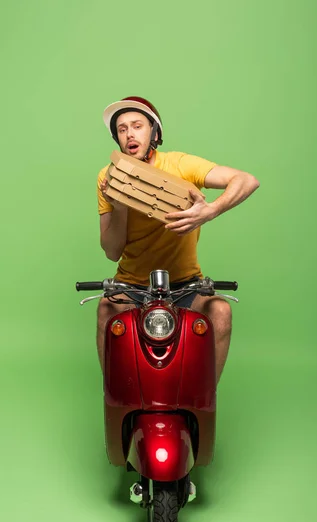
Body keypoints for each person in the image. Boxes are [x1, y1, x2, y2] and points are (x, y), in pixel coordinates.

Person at [97, 96, 259, 382]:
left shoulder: (180, 165)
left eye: (137, 126)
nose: (130, 134)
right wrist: (119, 203)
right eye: (122, 129)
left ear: (154, 133)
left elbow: (247, 180)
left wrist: (209, 211)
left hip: (185, 285)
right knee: (106, 310)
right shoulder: (107, 178)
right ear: (117, 138)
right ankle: (115, 397)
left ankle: (203, 397)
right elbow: (112, 251)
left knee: (220, 311)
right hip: (133, 286)